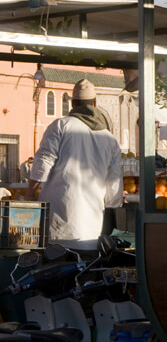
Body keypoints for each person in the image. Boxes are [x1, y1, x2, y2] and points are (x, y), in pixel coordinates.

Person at [28, 79, 122, 252]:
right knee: (82, 272)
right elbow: (114, 186)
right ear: (95, 104)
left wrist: (29, 195)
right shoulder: (110, 139)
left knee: (55, 271)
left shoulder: (61, 125)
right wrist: (112, 201)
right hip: (91, 227)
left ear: (72, 103)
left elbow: (43, 161)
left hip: (59, 222)